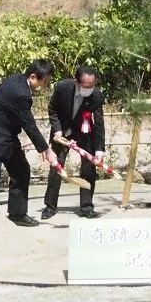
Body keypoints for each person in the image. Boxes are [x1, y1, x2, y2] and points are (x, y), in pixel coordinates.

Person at [0, 59, 59, 227]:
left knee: (21, 169)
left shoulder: (20, 81)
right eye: (43, 82)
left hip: (5, 136)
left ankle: (17, 214)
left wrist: (44, 149)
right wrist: (47, 150)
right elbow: (29, 125)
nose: (44, 86)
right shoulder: (20, 93)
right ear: (33, 77)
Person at [41, 65, 106, 220]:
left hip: (84, 132)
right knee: (57, 166)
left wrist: (99, 149)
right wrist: (57, 130)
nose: (89, 89)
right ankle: (50, 206)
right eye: (85, 86)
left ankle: (87, 206)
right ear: (77, 82)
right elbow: (52, 109)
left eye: (92, 86)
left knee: (88, 168)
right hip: (62, 132)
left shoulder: (96, 95)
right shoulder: (63, 87)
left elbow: (99, 122)